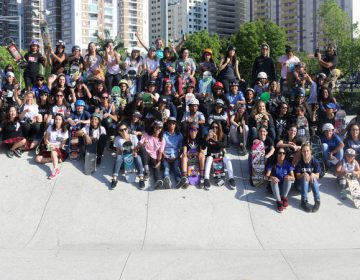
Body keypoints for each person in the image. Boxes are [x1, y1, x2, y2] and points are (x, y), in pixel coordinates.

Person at [111, 122, 145, 189]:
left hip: (133, 161)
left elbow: (136, 149)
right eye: (121, 130)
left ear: (127, 129)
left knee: (138, 157)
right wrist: (119, 155)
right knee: (119, 157)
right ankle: (114, 179)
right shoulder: (117, 139)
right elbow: (118, 153)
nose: (123, 131)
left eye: (125, 129)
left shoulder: (133, 137)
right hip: (124, 161)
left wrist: (135, 153)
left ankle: (141, 178)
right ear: (119, 131)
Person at [203, 121, 236, 190]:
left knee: (227, 158)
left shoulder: (223, 136)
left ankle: (231, 178)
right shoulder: (208, 136)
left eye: (216, 127)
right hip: (211, 157)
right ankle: (206, 179)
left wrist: (216, 140)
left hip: (220, 156)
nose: (214, 129)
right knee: (209, 158)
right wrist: (206, 139)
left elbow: (225, 145)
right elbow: (203, 147)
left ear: (219, 128)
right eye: (213, 127)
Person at [35, 113, 69, 179]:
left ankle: (56, 170)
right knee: (37, 159)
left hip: (58, 148)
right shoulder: (50, 127)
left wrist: (55, 147)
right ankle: (54, 159)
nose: (57, 121)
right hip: (49, 146)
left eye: (59, 119)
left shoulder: (65, 131)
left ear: (62, 121)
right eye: (56, 119)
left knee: (53, 151)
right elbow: (46, 140)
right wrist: (50, 145)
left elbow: (62, 144)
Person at [265, 148, 295, 213]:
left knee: (288, 179)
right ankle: (279, 202)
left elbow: (293, 178)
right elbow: (265, 177)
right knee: (274, 180)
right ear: (277, 154)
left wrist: (290, 177)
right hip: (275, 188)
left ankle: (284, 198)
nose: (282, 154)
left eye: (283, 153)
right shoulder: (272, 164)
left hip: (283, 188)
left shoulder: (288, 164)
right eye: (280, 153)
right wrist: (271, 177)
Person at [178, 122, 206, 188]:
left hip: (197, 157)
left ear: (197, 131)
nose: (193, 132)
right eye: (191, 130)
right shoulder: (186, 139)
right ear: (189, 130)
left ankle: (202, 177)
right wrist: (187, 154)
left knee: (202, 155)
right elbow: (185, 152)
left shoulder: (200, 139)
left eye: (195, 130)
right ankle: (185, 178)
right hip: (189, 157)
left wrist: (199, 153)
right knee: (184, 157)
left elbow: (202, 151)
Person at [139, 120, 166, 189]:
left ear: (161, 129)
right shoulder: (147, 135)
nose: (158, 129)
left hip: (154, 157)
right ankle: (146, 170)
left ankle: (158, 181)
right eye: (156, 127)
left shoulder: (162, 140)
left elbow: (160, 153)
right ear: (154, 127)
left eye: (160, 128)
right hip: (145, 156)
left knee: (156, 167)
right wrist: (144, 144)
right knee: (142, 148)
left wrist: (159, 162)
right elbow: (139, 145)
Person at [295, 143, 321, 213]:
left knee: (314, 177)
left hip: (309, 186)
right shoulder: (300, 163)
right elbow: (297, 176)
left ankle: (317, 201)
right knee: (305, 176)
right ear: (301, 152)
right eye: (304, 151)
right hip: (300, 186)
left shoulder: (315, 161)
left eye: (307, 151)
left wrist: (313, 175)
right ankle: (303, 201)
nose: (305, 153)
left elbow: (318, 176)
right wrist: (303, 174)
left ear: (310, 151)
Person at [162, 117, 183, 188]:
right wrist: (165, 156)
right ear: (167, 125)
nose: (171, 125)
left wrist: (176, 157)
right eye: (170, 124)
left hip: (175, 156)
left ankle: (179, 181)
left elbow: (181, 148)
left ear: (175, 125)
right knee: (166, 168)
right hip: (166, 155)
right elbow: (161, 148)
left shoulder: (179, 135)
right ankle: (166, 180)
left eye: (173, 124)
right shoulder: (164, 134)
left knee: (176, 167)